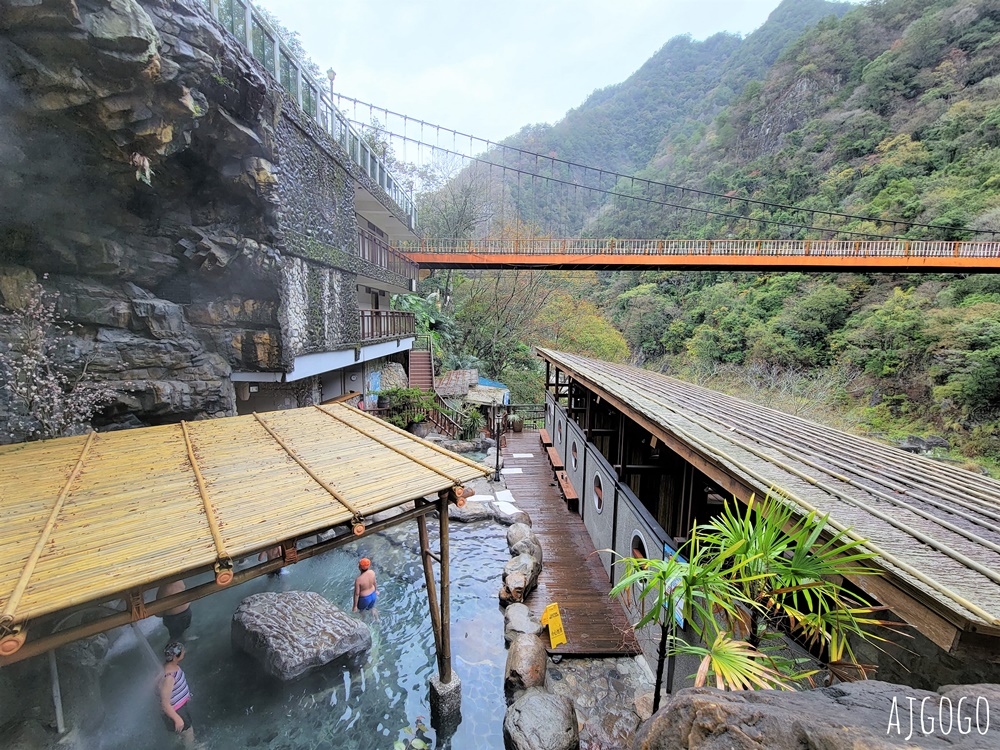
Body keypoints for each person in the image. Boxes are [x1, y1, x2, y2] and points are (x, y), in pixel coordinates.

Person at [160, 641, 195, 749]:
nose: (184, 652)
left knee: (179, 735)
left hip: (179, 708)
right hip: (176, 711)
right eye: (182, 651)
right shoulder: (169, 677)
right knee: (188, 733)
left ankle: (179, 744)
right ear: (175, 657)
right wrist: (177, 718)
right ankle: (191, 747)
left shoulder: (169, 666)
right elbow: (165, 704)